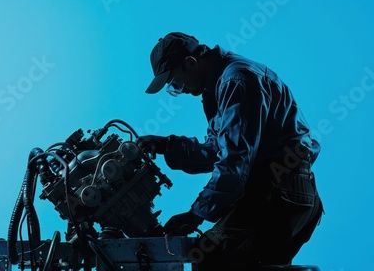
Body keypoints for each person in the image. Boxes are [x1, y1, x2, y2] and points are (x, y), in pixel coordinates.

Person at [137, 32, 324, 270]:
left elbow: (234, 161)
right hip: (293, 194)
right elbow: (219, 149)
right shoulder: (219, 86)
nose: (180, 90)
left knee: (207, 256)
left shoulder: (236, 81)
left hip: (278, 192)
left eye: (175, 82)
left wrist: (195, 215)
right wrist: (167, 145)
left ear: (191, 62)